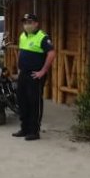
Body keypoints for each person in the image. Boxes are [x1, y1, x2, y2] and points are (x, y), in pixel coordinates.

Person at [14, 13, 54, 141]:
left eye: (30, 22)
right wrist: (18, 67)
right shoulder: (23, 36)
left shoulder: (43, 37)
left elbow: (51, 53)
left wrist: (43, 71)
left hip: (35, 75)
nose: (27, 25)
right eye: (25, 22)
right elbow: (20, 51)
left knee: (34, 102)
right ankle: (24, 128)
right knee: (22, 101)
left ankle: (34, 131)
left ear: (36, 23)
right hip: (23, 73)